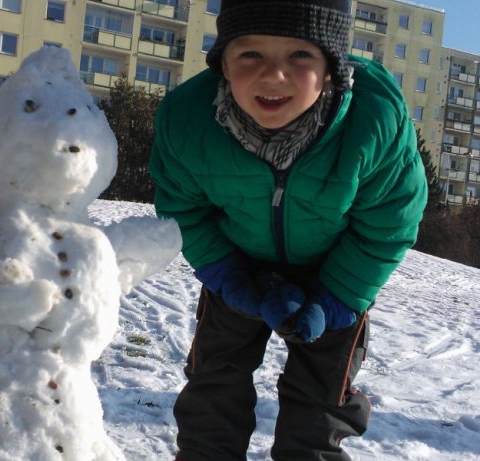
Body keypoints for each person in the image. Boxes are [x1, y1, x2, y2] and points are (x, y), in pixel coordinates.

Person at [148, 0, 428, 460]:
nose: (274, 75)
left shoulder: (374, 122)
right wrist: (230, 279)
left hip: (336, 267)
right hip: (238, 260)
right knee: (213, 386)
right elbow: (184, 210)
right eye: (251, 55)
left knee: (319, 404)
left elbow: (389, 224)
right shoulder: (187, 120)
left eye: (300, 56)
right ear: (223, 64)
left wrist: (337, 297)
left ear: (331, 69)